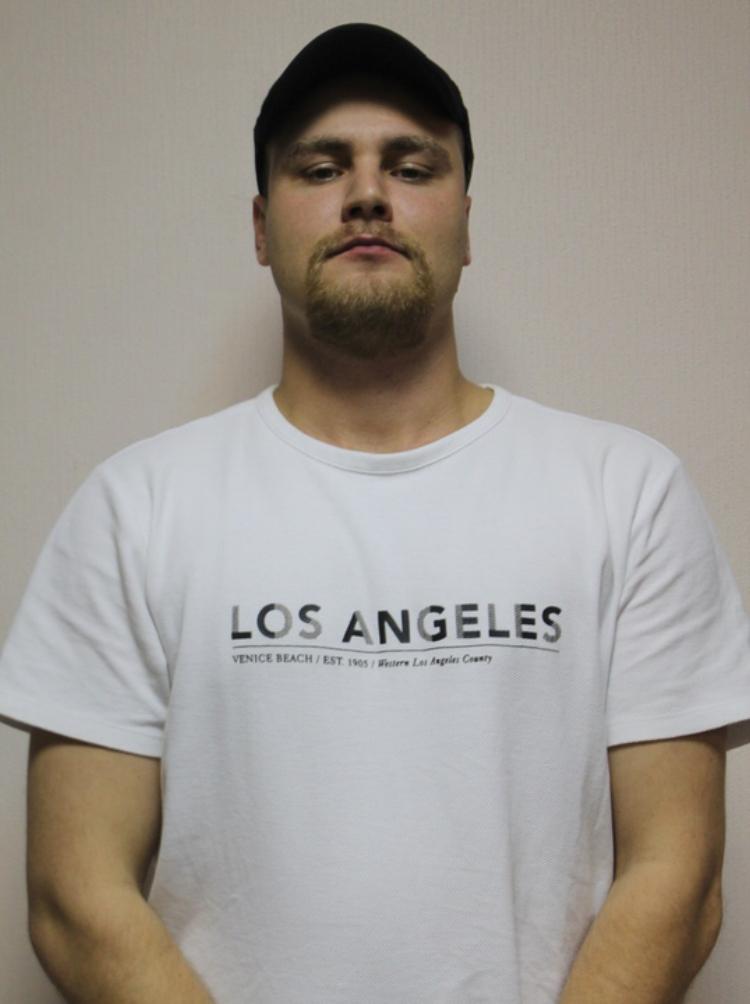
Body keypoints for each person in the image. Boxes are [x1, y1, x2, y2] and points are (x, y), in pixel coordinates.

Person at [1, 22, 749, 1004]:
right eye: (321, 167)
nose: (366, 194)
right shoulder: (134, 508)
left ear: (466, 224)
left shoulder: (628, 493)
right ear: (261, 227)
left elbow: (677, 882)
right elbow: (75, 895)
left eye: (411, 165)